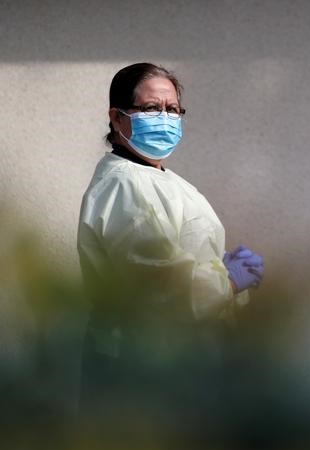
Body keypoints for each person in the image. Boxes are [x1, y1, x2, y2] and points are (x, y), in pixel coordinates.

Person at [77, 63, 264, 406]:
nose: (165, 117)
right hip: (140, 366)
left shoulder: (157, 178)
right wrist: (227, 281)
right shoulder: (125, 184)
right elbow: (158, 286)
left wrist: (218, 266)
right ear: (118, 119)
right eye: (150, 108)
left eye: (173, 109)